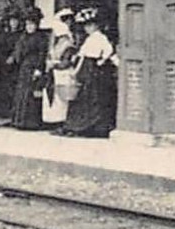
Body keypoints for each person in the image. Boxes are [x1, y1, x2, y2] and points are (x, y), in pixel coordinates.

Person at [59, 7, 117, 138]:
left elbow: (100, 54)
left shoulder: (98, 38)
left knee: (90, 98)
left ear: (96, 25)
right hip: (92, 70)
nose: (87, 28)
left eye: (90, 25)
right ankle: (85, 126)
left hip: (92, 71)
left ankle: (87, 127)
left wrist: (100, 61)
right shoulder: (95, 38)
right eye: (86, 26)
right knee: (89, 99)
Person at [9, 8, 50, 130]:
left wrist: (39, 68)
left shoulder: (41, 37)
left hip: (34, 66)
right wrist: (16, 57)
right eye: (27, 24)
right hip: (24, 67)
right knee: (22, 93)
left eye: (32, 24)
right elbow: (18, 50)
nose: (29, 27)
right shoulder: (24, 37)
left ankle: (32, 122)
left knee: (31, 94)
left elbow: (42, 54)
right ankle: (19, 120)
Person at [41, 10, 78, 128]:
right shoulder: (57, 45)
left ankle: (61, 121)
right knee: (54, 97)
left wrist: (55, 65)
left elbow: (67, 61)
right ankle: (53, 121)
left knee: (62, 98)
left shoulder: (68, 45)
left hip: (63, 73)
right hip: (55, 72)